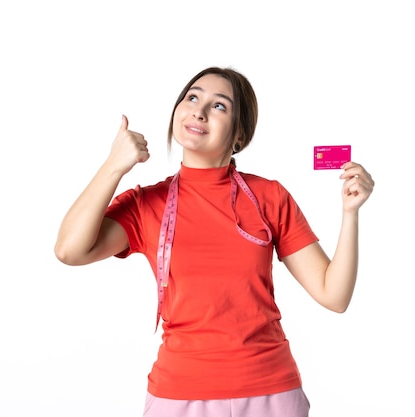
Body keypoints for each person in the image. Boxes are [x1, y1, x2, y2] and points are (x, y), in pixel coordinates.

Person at [54, 66, 374, 417]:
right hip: (179, 395)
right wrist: (114, 166)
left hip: (271, 392)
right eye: (192, 97)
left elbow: (334, 295)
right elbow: (70, 250)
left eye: (219, 106)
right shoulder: (147, 204)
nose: (199, 110)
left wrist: (350, 213)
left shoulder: (270, 197)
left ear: (239, 135)